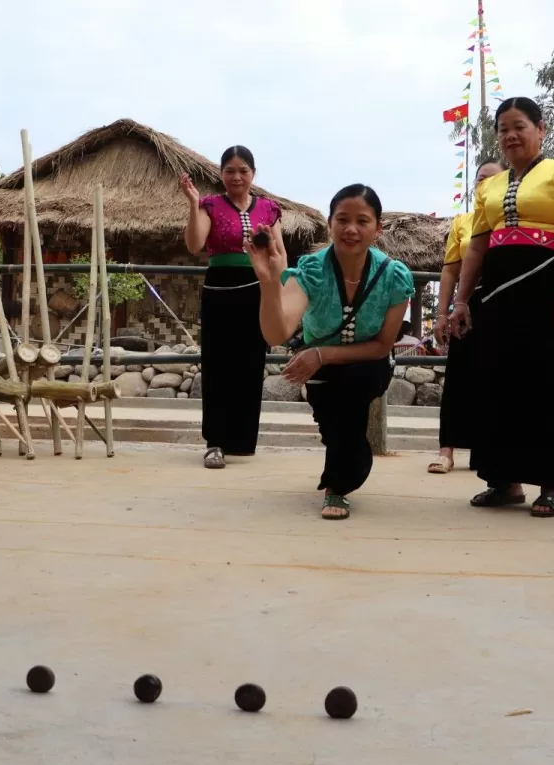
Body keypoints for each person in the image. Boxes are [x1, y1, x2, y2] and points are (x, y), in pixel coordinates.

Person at [449, 97, 554, 518]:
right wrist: (461, 299)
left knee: (544, 382)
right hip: (496, 291)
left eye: (519, 126)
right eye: (503, 128)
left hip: (544, 285)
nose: (510, 135)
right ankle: (503, 481)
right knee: (496, 382)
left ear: (540, 129)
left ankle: (549, 486)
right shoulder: (489, 187)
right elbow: (476, 245)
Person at [246, 184, 413, 520]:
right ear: (330, 223)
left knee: (348, 403)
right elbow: (277, 332)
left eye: (363, 221)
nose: (351, 229)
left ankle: (336, 487)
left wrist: (320, 355)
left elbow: (382, 346)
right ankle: (352, 461)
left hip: (369, 364)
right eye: (343, 219)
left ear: (377, 228)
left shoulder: (394, 276)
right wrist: (267, 281)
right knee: (334, 424)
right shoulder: (311, 270)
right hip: (320, 370)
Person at [181, 145, 281, 469]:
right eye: (230, 171)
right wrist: (194, 205)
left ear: (253, 174)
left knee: (251, 364)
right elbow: (195, 244)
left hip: (256, 290)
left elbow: (281, 256)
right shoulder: (210, 204)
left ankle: (241, 440)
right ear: (221, 174)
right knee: (217, 365)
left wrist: (275, 283)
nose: (236, 176)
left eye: (243, 170)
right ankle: (215, 442)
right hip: (219, 291)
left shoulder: (269, 209)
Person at [429, 158, 505, 474]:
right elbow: (450, 270)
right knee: (458, 375)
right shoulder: (462, 222)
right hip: (466, 303)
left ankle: (488, 453)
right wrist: (442, 313)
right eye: (479, 179)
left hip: (501, 302)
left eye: (491, 178)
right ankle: (446, 451)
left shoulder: (509, 221)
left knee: (495, 378)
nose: (483, 183)